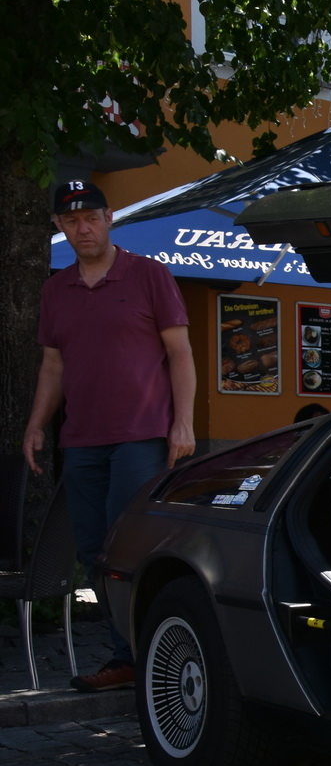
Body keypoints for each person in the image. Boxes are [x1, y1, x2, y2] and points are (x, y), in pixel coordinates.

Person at [26, 181, 196, 692]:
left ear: (110, 218)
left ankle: (144, 656)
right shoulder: (56, 289)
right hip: (80, 440)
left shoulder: (148, 274)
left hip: (141, 436)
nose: (84, 228)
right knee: (93, 551)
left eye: (93, 217)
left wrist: (183, 422)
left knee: (132, 549)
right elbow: (52, 366)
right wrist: (36, 423)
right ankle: (130, 655)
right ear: (59, 226)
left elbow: (180, 353)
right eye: (72, 220)